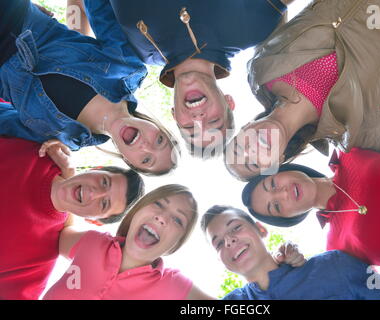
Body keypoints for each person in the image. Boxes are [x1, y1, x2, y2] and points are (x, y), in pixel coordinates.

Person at [225, 0, 380, 179]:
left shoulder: (262, 67)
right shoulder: (355, 129)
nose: (250, 149)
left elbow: (273, 6)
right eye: (253, 162)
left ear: (245, 127)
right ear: (279, 160)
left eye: (238, 146)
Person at [85, 0, 293, 157]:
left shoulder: (132, 53)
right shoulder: (250, 29)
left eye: (190, 128)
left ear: (175, 115)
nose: (198, 118)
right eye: (213, 121)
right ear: (229, 102)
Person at [0, 0, 179, 175]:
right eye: (159, 140)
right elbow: (97, 5)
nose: (146, 146)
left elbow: (4, 120)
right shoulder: (127, 68)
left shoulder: (64, 139)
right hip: (13, 16)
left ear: (127, 160)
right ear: (156, 126)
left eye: (146, 159)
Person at [0, 136, 145, 300]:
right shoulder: (39, 151)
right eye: (104, 182)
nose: (93, 192)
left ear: (94, 221)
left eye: (104, 204)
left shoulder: (39, 261)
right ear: (95, 168)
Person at [201, 206, 380, 300]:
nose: (229, 240)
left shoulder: (333, 266)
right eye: (218, 243)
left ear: (261, 229)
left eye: (236, 228)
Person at [43, 184, 216, 300]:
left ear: (176, 244)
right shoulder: (93, 242)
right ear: (137, 211)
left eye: (178, 220)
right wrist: (67, 177)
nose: (162, 218)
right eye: (159, 204)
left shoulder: (174, 286)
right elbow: (63, 233)